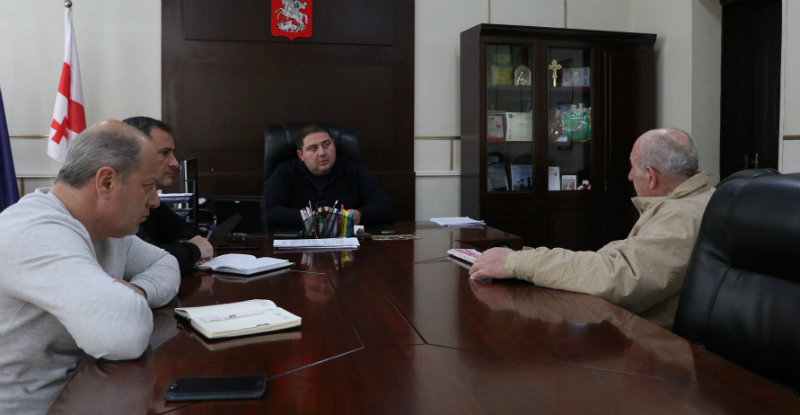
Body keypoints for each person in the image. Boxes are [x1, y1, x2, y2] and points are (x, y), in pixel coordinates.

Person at [0, 120, 181, 415]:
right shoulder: (34, 232)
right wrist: (125, 304)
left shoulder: (106, 228)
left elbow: (165, 262)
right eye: (148, 186)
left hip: (83, 391)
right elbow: (123, 334)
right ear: (107, 182)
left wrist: (139, 291)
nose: (155, 201)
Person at [469, 128, 714, 329]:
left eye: (632, 166)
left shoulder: (681, 217)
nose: (630, 176)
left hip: (654, 351)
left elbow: (616, 277)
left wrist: (515, 262)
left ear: (650, 176)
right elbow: (616, 260)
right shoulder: (698, 200)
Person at [123, 116, 213, 274]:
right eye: (164, 153)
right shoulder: (120, 201)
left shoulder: (151, 200)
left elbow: (186, 230)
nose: (175, 163)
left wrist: (183, 250)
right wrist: (192, 251)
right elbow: (147, 260)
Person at [263, 123, 393, 228]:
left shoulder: (355, 170)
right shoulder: (285, 172)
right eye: (313, 148)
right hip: (300, 242)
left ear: (334, 145)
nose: (322, 153)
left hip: (347, 241)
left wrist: (359, 215)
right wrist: (311, 217)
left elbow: (385, 208)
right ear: (301, 155)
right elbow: (266, 211)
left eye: (327, 145)